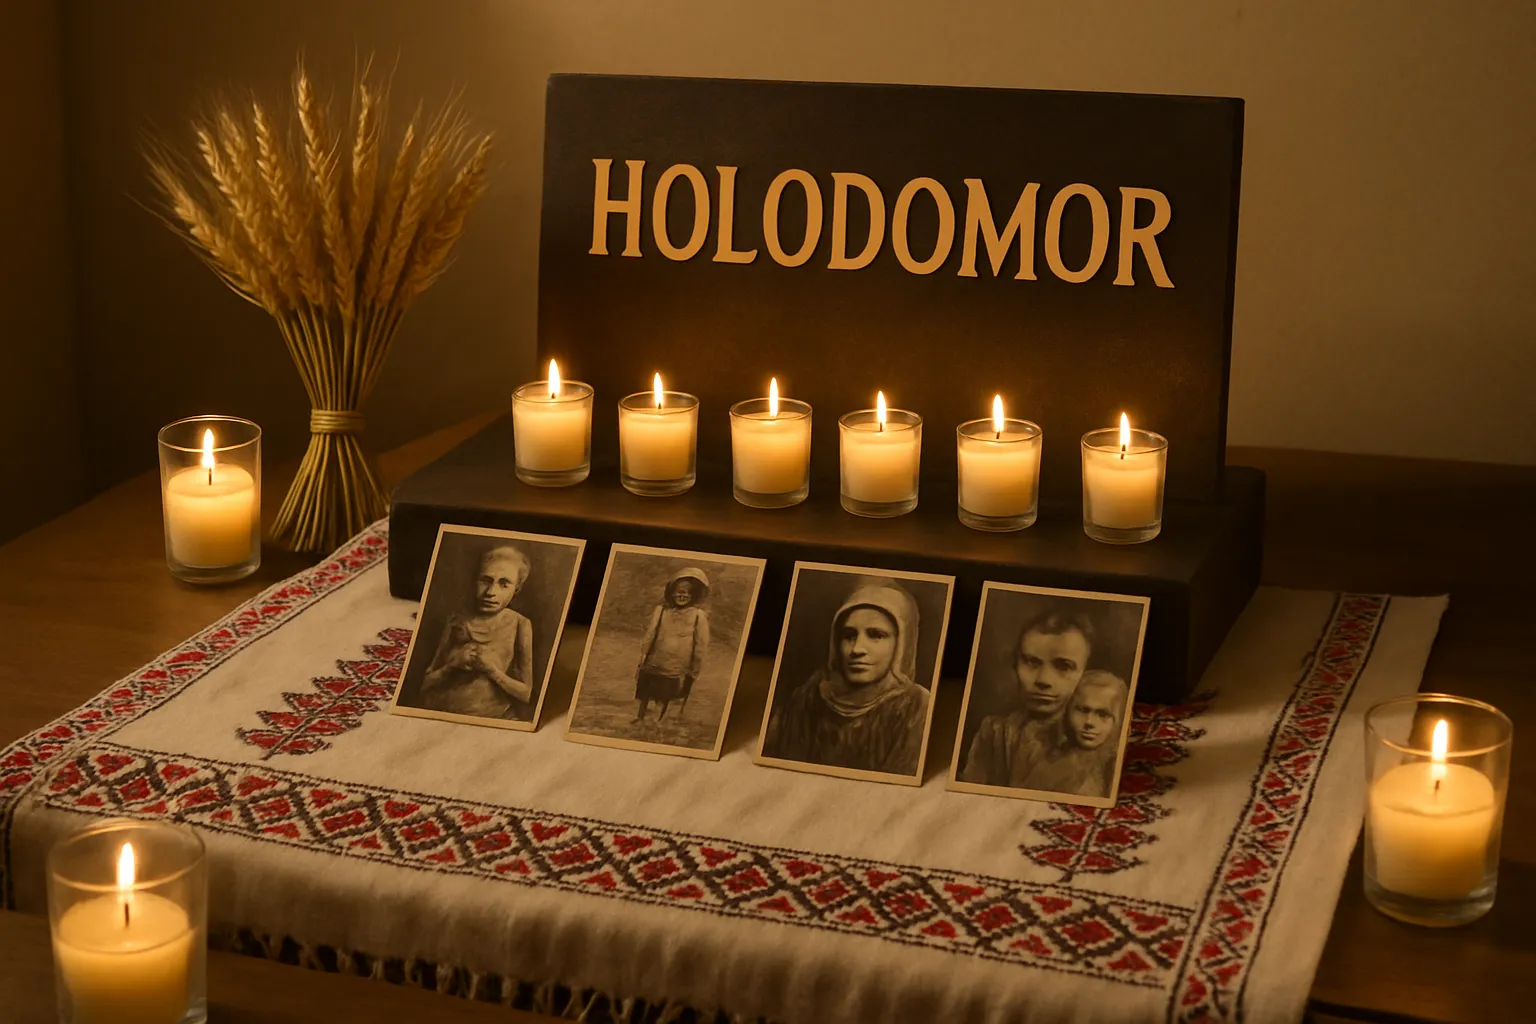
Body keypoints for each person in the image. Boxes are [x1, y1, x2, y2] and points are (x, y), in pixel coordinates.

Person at [763, 579, 930, 777]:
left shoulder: (916, 706)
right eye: (848, 635)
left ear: (901, 644)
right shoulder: (807, 697)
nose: (857, 649)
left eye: (876, 635)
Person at [958, 606, 1094, 787]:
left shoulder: (1094, 739)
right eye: (1031, 662)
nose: (1044, 680)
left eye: (1063, 666)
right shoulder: (994, 733)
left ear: (1085, 674)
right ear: (1015, 665)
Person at [418, 546, 535, 720]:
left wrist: (492, 670)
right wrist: (451, 665)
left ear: (516, 589)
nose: (491, 592)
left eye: (504, 584)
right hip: (443, 712)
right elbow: (425, 683)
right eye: (485, 580)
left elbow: (526, 693)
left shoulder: (520, 625)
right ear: (474, 581)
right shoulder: (457, 620)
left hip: (497, 716)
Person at [1018, 670, 1129, 799]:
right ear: (1068, 711)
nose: (1089, 722)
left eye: (1103, 714)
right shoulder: (1042, 752)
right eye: (1082, 710)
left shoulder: (1112, 767)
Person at [634, 568, 711, 722]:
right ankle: (640, 717)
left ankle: (656, 720)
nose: (682, 595)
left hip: (675, 666)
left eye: (687, 592)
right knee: (646, 690)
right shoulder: (661, 611)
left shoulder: (698, 616)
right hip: (654, 660)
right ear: (671, 592)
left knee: (664, 693)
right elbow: (650, 635)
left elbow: (700, 645)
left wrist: (695, 669)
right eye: (678, 592)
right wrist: (643, 656)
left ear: (693, 595)